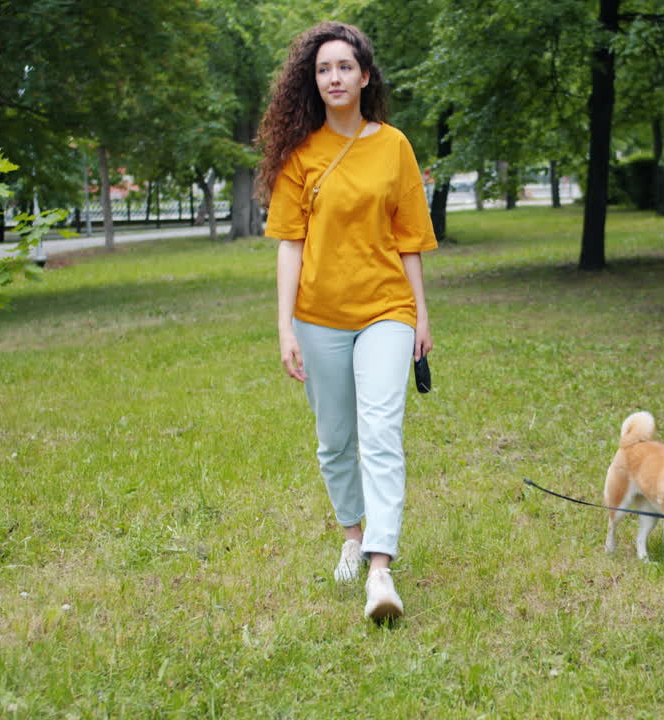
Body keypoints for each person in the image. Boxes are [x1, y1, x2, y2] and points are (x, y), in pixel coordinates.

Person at [256, 21, 436, 623]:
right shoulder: (300, 155)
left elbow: (409, 238)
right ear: (315, 80)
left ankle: (380, 570)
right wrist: (284, 328)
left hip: (385, 309)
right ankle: (352, 536)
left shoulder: (395, 146)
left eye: (344, 67)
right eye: (323, 68)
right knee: (336, 440)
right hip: (318, 317)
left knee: (381, 431)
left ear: (365, 76)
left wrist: (419, 314)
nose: (334, 77)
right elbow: (288, 246)